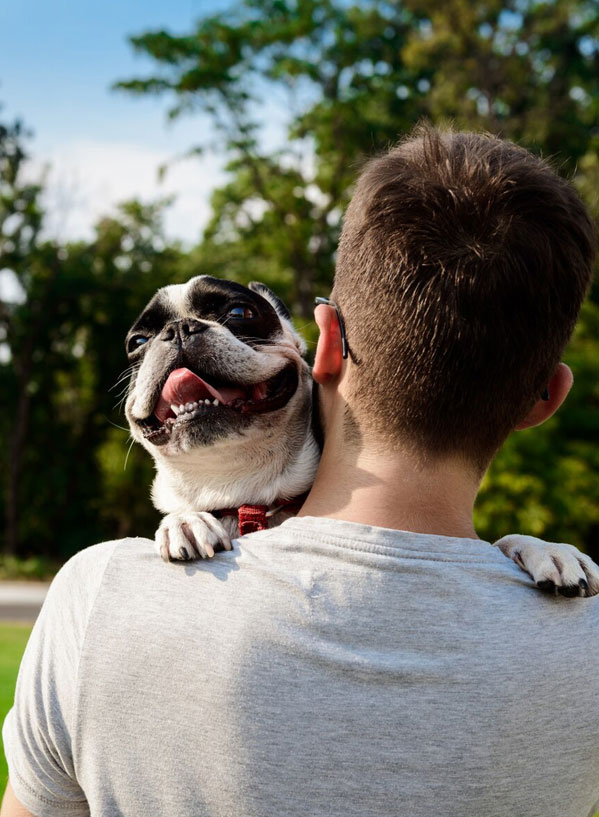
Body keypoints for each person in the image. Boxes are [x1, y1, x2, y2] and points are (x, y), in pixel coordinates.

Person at [2, 126, 598, 817]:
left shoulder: (99, 597)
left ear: (321, 342)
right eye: (146, 339)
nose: (180, 338)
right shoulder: (581, 630)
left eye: (232, 314)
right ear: (546, 396)